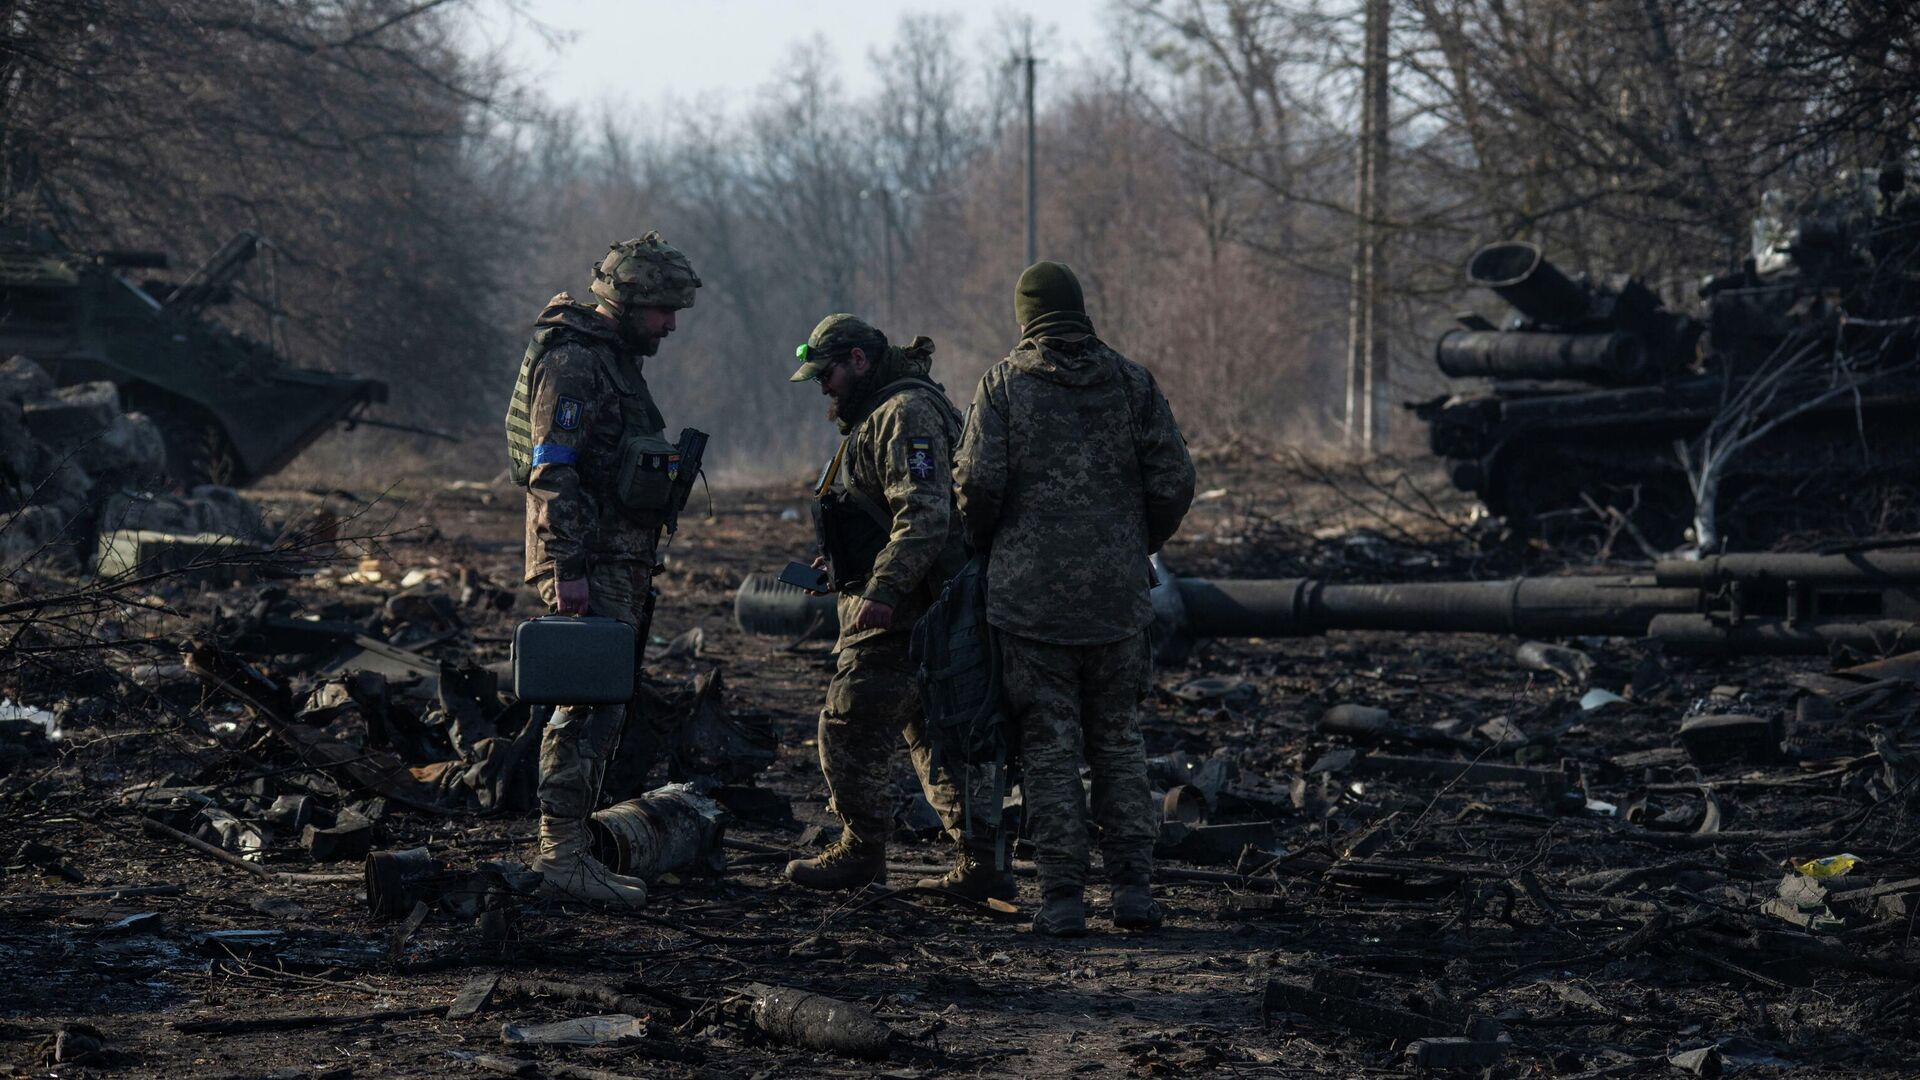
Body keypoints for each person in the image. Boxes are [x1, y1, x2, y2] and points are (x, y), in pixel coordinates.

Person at [953, 261, 1196, 936]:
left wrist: (989, 543)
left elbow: (975, 483)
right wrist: (1132, 540)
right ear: (1079, 309)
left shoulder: (1003, 386)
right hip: (1117, 600)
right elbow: (1174, 479)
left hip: (1030, 606)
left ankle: (1062, 900)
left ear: (1025, 315)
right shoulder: (1131, 383)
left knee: (1048, 744)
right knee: (1118, 739)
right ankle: (1134, 893)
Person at [783, 314, 1013, 900]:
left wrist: (882, 592)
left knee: (849, 721)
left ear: (859, 360)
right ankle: (980, 863)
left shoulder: (904, 412)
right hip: (910, 601)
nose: (823, 386)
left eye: (827, 373)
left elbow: (925, 514)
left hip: (910, 607)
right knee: (932, 733)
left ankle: (862, 851)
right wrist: (842, 570)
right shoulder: (877, 414)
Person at [504, 232, 701, 909]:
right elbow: (551, 468)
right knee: (585, 707)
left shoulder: (614, 362)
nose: (671, 325)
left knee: (605, 705)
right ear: (630, 302)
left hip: (617, 558)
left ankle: (574, 847)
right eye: (663, 310)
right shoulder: (577, 363)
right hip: (587, 562)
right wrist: (568, 567)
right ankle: (560, 857)